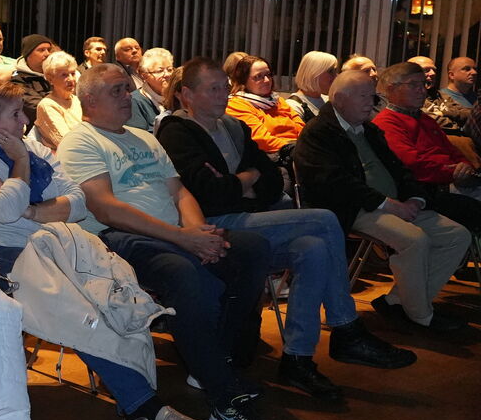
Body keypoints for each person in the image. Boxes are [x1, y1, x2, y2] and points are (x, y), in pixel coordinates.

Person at [0, 77, 213, 420]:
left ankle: (138, 415)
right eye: (16, 114)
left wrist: (34, 209)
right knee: (82, 313)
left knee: (119, 298)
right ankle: (148, 410)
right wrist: (20, 166)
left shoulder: (35, 150)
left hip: (53, 247)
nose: (25, 121)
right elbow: (3, 212)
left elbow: (80, 201)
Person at [57, 64, 280, 420]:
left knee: (252, 249)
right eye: (117, 91)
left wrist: (198, 232)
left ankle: (213, 363)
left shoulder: (145, 138)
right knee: (185, 273)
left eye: (128, 89)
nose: (128, 96)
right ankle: (224, 401)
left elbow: (180, 194)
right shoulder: (82, 141)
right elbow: (106, 208)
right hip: (120, 239)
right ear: (89, 100)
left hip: (174, 234)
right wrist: (183, 238)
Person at [157, 58, 412, 387]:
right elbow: (211, 194)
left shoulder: (234, 127)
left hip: (247, 218)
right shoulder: (176, 131)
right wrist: (248, 178)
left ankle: (298, 357)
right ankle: (346, 328)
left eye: (225, 87)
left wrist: (242, 182)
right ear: (186, 95)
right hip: (210, 225)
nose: (223, 95)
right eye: (213, 89)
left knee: (314, 248)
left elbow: (275, 182)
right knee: (323, 220)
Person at [294, 69, 471, 337]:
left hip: (393, 205)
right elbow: (336, 184)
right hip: (350, 209)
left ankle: (398, 302)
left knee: (457, 235)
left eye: (372, 95)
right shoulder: (319, 133)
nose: (371, 102)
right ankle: (421, 316)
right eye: (364, 96)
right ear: (340, 99)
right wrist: (388, 205)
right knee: (415, 240)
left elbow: (401, 170)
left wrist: (415, 197)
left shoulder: (369, 129)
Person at [373, 62, 481, 220]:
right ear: (391, 88)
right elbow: (413, 165)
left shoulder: (424, 118)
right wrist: (454, 172)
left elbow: (452, 152)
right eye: (413, 85)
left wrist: (465, 167)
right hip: (426, 190)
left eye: (424, 84)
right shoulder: (386, 122)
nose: (422, 90)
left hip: (452, 181)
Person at [225, 54, 303, 158]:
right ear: (244, 81)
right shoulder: (236, 104)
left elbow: (301, 127)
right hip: (271, 156)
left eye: (268, 74)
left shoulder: (276, 100)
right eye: (258, 77)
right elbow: (261, 140)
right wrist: (296, 149)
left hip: (296, 150)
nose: (266, 80)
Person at [34, 50, 83, 149]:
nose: (71, 79)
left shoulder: (78, 100)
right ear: (50, 79)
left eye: (73, 73)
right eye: (64, 75)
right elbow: (67, 143)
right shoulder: (47, 105)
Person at [126, 48, 174, 130]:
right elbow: (138, 137)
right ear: (144, 75)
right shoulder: (134, 101)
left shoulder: (177, 96)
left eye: (170, 70)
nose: (167, 74)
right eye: (160, 71)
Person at [286, 51, 339, 124]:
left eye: (335, 71)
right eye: (330, 71)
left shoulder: (328, 100)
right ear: (314, 74)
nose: (336, 76)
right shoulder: (293, 106)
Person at [426, 55, 477, 131]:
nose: (474, 72)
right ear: (451, 75)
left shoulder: (478, 100)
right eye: (467, 69)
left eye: (475, 69)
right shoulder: (440, 98)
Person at [10, 35, 54, 119]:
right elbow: (35, 106)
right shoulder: (18, 79)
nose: (47, 54)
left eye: (49, 50)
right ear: (28, 55)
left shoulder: (55, 74)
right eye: (41, 50)